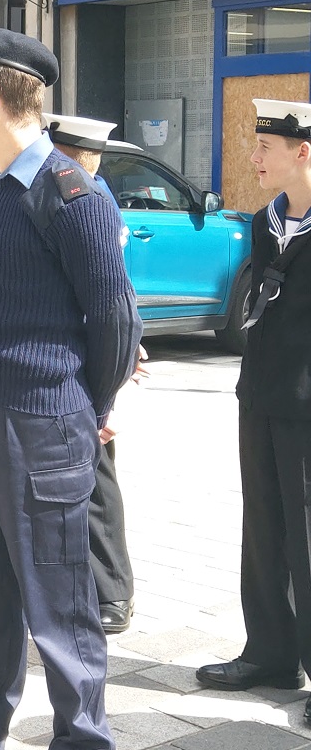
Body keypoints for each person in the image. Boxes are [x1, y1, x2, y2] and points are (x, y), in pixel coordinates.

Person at [0, 30, 141, 750]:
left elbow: (115, 320)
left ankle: (83, 739)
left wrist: (93, 406)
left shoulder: (73, 197)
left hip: (47, 422)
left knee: (60, 606)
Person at [197, 99, 311, 719]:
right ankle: (271, 650)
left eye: (265, 147)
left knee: (309, 537)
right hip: (262, 394)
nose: (253, 157)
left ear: (304, 152)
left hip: (308, 403)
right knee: (263, 527)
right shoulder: (267, 220)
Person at [43, 112, 139, 635]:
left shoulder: (87, 200)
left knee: (97, 477)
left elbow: (112, 297)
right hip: (88, 350)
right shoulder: (91, 193)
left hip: (90, 356)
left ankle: (113, 590)